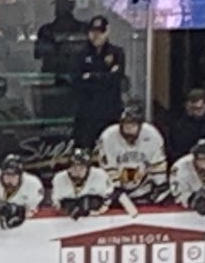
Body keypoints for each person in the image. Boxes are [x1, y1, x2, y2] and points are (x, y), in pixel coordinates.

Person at [95, 102, 167, 204]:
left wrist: (160, 185)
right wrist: (115, 188)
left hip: (144, 190)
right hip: (115, 193)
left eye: (133, 124)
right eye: (126, 124)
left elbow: (158, 164)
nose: (129, 128)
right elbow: (108, 167)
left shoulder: (153, 135)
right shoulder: (108, 137)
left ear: (140, 125)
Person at [70, 15, 124, 146]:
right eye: (92, 32)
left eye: (100, 32)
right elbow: (76, 80)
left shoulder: (116, 53)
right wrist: (102, 77)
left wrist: (92, 76)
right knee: (85, 147)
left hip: (110, 111)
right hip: (86, 112)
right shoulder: (80, 53)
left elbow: (115, 78)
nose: (96, 36)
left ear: (107, 32)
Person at [0, 154, 43, 228]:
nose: (9, 179)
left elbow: (33, 209)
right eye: (6, 175)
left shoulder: (33, 184)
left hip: (22, 228)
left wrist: (20, 212)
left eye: (13, 175)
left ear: (20, 175)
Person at [49, 148, 114, 217]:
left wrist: (102, 209)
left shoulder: (100, 175)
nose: (77, 168)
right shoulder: (59, 179)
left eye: (81, 165)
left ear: (87, 166)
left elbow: (110, 197)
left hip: (96, 218)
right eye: (74, 165)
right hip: (69, 221)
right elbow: (56, 204)